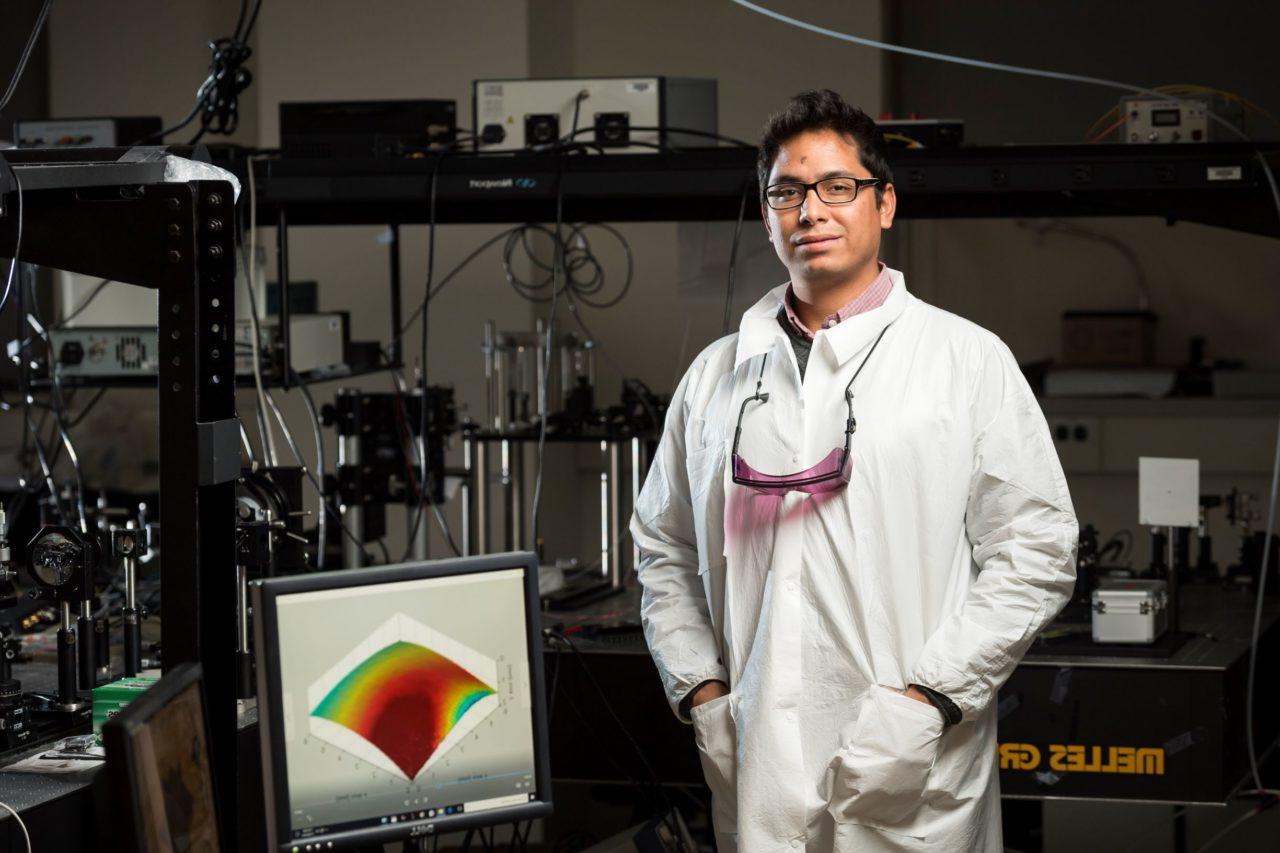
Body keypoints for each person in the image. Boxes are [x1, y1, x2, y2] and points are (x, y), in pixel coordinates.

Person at [631, 89, 1077, 852]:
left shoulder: (966, 360)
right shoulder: (714, 378)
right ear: (768, 212)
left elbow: (1036, 553)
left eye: (838, 187)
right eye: (786, 192)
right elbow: (662, 549)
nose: (811, 211)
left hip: (915, 767)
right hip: (756, 759)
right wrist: (704, 693)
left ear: (886, 204)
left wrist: (929, 700)